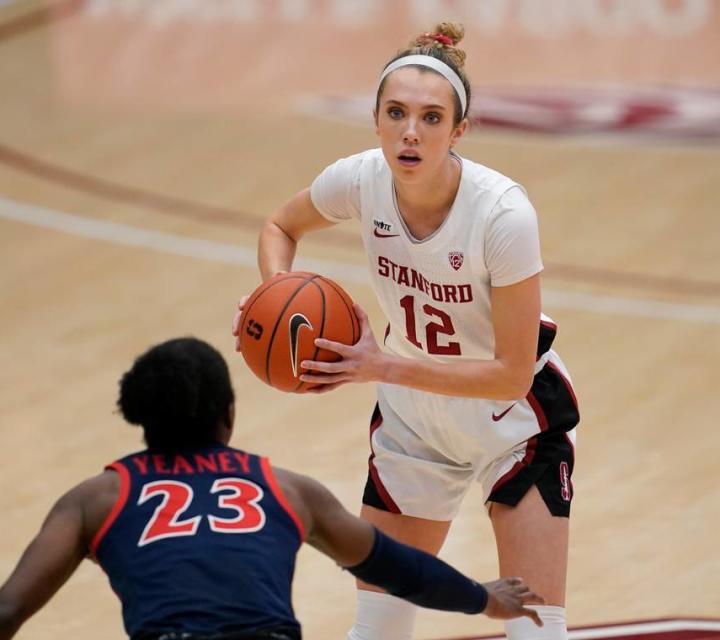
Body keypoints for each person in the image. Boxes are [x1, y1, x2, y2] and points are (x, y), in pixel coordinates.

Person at [237, 22, 580, 640]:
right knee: (376, 632)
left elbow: (509, 374)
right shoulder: (361, 179)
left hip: (513, 424)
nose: (410, 132)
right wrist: (276, 295)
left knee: (536, 630)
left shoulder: (503, 215)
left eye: (430, 117)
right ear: (375, 120)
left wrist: (380, 365)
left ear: (459, 131)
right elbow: (279, 227)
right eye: (396, 113)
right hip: (413, 420)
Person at [0, 337, 545, 640]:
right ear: (228, 415)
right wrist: (485, 598)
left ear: (140, 419)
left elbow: (4, 612)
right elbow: (400, 568)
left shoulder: (97, 499)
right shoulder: (285, 490)